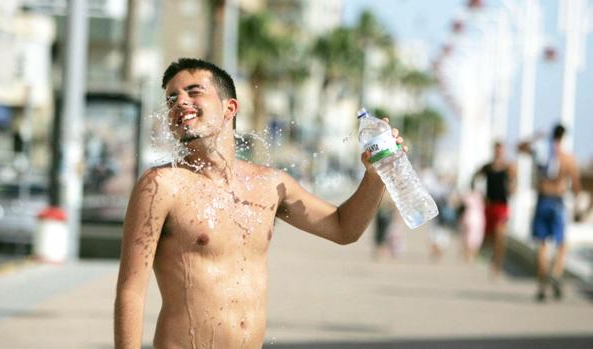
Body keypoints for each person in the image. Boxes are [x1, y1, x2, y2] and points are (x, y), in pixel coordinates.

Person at [113, 58, 405, 348]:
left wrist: (375, 175)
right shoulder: (161, 185)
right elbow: (131, 291)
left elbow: (344, 229)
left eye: (194, 91)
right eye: (172, 98)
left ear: (230, 108)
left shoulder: (269, 184)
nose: (180, 102)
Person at [518, 124, 581, 301]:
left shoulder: (542, 155)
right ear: (563, 137)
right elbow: (576, 185)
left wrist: (536, 136)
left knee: (542, 246)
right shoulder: (567, 158)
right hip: (558, 202)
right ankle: (555, 273)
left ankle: (542, 285)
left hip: (542, 200)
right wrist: (578, 206)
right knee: (561, 245)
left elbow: (519, 147)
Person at [471, 142, 516, 277]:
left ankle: (497, 264)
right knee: (490, 237)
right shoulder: (488, 167)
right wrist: (477, 193)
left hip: (502, 205)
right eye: (497, 150)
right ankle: (490, 258)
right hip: (489, 205)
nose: (499, 153)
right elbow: (474, 177)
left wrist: (512, 188)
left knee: (500, 235)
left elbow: (514, 182)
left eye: (501, 150)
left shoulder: (508, 167)